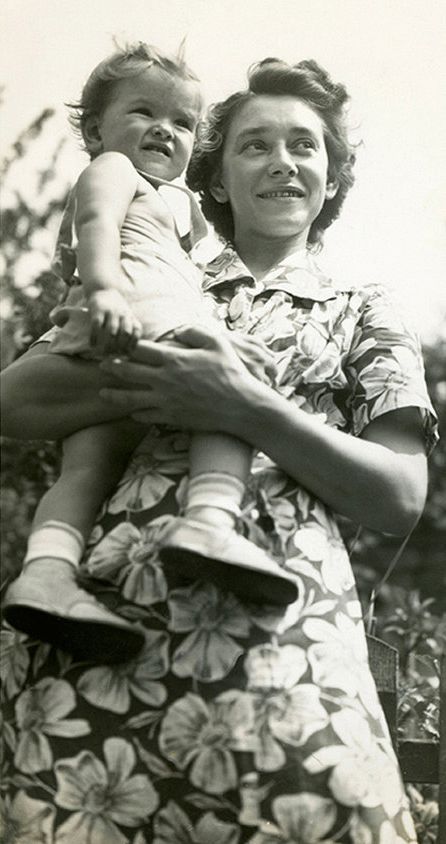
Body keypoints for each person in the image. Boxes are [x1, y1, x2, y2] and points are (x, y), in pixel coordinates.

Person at [1, 56, 438, 842]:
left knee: (326, 814)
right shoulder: (151, 270)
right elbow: (16, 401)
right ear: (217, 175)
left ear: (332, 179)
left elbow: (399, 495)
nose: (281, 162)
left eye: (304, 146)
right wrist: (162, 379)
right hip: (107, 616)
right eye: (254, 144)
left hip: (284, 628)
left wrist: (247, 407)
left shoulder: (363, 311)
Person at [2, 44, 297, 663]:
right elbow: (96, 225)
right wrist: (105, 287)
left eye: (184, 123)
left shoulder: (183, 205)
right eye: (144, 112)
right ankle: (211, 521)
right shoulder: (113, 170)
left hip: (129, 331)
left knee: (87, 466)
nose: (166, 129)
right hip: (130, 316)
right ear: (95, 129)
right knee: (228, 386)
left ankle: (47, 574)